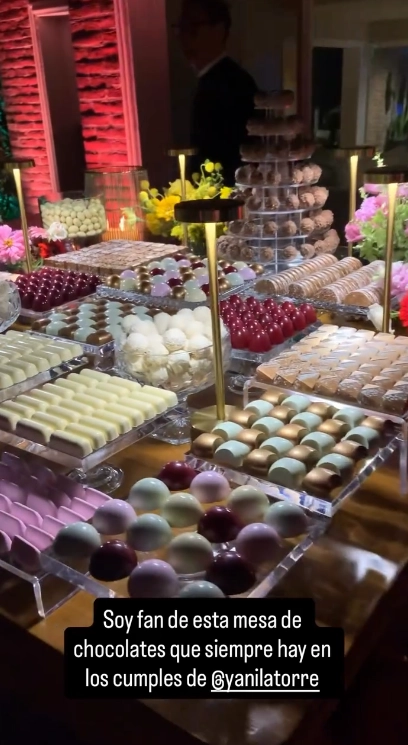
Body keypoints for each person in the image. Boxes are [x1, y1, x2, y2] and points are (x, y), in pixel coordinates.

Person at [176, 0, 257, 183]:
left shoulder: (234, 83)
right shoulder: (210, 80)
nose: (183, 37)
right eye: (181, 28)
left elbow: (237, 158)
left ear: (218, 30)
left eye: (193, 27)